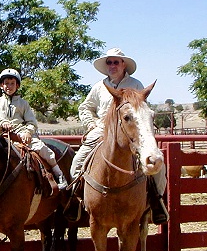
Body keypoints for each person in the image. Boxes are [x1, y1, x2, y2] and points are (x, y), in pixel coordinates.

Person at [67, 48, 169, 224]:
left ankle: (156, 200)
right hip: (102, 130)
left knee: (157, 165)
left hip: (129, 131)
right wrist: (91, 124)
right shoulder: (99, 87)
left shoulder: (136, 85)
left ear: (124, 64)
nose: (112, 65)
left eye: (116, 62)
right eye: (109, 62)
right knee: (77, 163)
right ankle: (76, 199)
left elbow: (142, 112)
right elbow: (85, 107)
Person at [0, 68, 68, 190]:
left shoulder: (23, 104)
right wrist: (2, 123)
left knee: (41, 148)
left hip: (21, 134)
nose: (9, 86)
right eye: (6, 83)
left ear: (17, 86)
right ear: (1, 85)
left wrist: (27, 132)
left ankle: (58, 173)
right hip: (1, 134)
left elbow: (32, 122)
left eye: (12, 83)